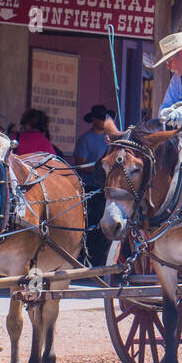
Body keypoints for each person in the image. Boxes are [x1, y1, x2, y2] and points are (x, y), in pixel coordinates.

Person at [73, 104, 116, 267]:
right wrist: (101, 170)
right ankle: (87, 258)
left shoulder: (110, 140)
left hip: (107, 189)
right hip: (91, 189)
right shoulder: (85, 139)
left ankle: (101, 258)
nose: (104, 121)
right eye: (101, 118)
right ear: (94, 120)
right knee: (91, 224)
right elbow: (80, 164)